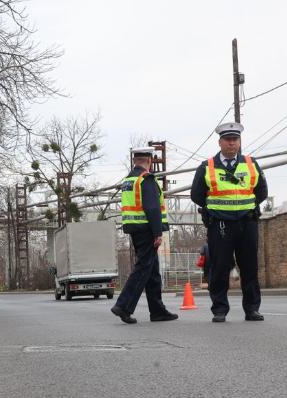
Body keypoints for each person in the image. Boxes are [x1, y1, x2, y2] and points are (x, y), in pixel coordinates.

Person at [191, 122, 268, 323]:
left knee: (249, 266)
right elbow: (196, 195)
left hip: (246, 223)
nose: (232, 144)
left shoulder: (251, 164)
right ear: (220, 142)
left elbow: (262, 192)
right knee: (219, 267)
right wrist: (217, 208)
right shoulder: (207, 166)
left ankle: (252, 309)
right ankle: (219, 309)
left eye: (235, 140)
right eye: (228, 140)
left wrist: (244, 207)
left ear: (239, 142)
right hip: (220, 225)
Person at [110, 147, 178, 324]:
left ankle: (157, 311)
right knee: (142, 268)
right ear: (150, 161)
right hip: (147, 230)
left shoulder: (129, 180)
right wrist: (157, 232)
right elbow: (152, 207)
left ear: (135, 161)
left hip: (135, 229)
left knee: (152, 271)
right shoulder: (146, 179)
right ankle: (123, 306)